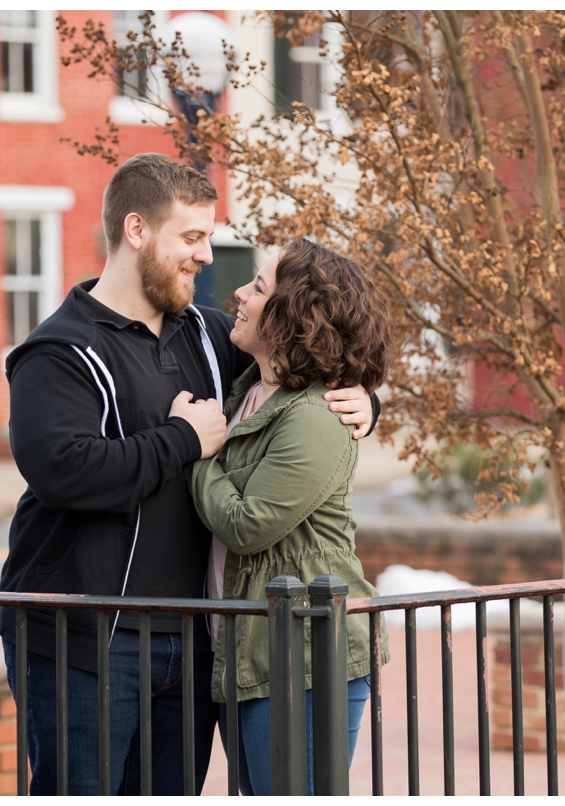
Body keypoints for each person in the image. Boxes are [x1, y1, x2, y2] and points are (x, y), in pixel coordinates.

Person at [0, 154, 379, 795]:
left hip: (193, 637)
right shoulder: (57, 353)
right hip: (86, 638)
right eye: (193, 237)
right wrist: (183, 439)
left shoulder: (205, 332)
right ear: (137, 230)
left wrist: (364, 397)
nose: (207, 255)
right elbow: (64, 470)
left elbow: (303, 353)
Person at [191, 238, 394, 796]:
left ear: (294, 316)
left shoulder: (314, 416)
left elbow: (246, 524)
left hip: (304, 656)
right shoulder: (250, 391)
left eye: (257, 287)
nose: (237, 292)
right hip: (253, 651)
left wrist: (198, 451)